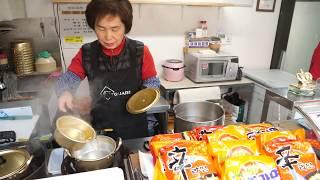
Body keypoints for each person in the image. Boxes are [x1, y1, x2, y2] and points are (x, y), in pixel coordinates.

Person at [56, 0, 160, 139]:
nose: (108, 37)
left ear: (125, 26)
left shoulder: (140, 51)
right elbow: (68, 80)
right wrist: (65, 92)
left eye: (115, 29)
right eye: (101, 28)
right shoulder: (87, 52)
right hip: (101, 129)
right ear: (94, 27)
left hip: (134, 129)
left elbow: (152, 82)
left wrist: (146, 96)